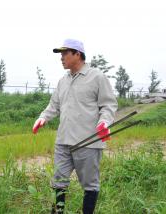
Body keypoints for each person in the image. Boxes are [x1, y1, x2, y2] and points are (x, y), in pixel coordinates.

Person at [32, 39, 117, 214]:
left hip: (88, 141)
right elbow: (53, 106)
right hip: (63, 141)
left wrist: (104, 122)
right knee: (58, 181)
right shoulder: (63, 81)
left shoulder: (97, 77)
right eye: (61, 54)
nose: (61, 58)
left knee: (90, 184)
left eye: (65, 54)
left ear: (77, 54)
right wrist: (43, 118)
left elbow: (108, 105)